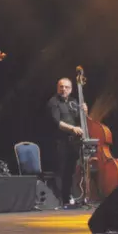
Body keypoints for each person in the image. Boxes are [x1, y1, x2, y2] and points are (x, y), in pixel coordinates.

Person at [46, 77, 88, 207]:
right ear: (57, 88)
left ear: (71, 89)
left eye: (66, 87)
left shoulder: (74, 102)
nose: (63, 89)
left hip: (73, 142)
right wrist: (72, 128)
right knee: (62, 171)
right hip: (60, 142)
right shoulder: (53, 102)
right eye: (61, 87)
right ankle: (61, 200)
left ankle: (69, 197)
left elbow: (81, 120)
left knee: (70, 171)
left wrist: (85, 112)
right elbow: (57, 122)